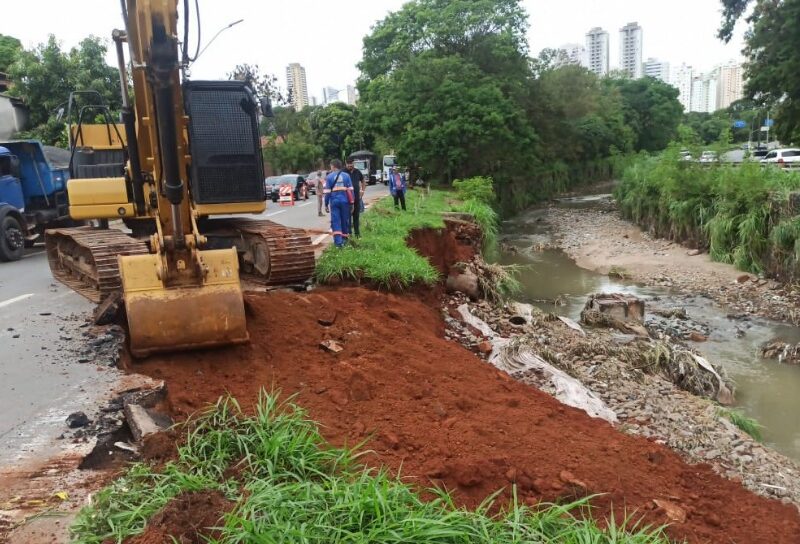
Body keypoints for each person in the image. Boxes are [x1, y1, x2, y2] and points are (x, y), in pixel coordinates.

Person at [324, 159, 354, 247]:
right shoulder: (346, 176)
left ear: (333, 166)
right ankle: (345, 239)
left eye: (330, 166)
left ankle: (338, 243)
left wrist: (326, 204)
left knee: (336, 221)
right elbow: (351, 190)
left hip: (334, 202)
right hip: (345, 201)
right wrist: (352, 203)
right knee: (345, 220)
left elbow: (327, 193)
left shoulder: (329, 177)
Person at [345, 158, 365, 237]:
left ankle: (357, 234)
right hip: (347, 199)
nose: (350, 165)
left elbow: (363, 181)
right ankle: (349, 234)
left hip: (357, 198)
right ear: (346, 164)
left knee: (356, 216)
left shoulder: (357, 171)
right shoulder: (343, 172)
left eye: (351, 163)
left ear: (354, 163)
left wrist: (362, 191)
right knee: (348, 217)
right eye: (348, 164)